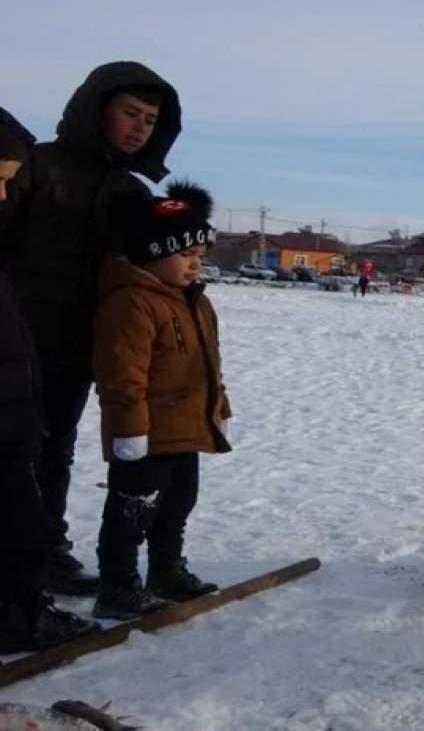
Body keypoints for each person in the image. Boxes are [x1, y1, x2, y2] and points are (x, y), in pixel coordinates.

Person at [0, 62, 182, 596]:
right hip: (17, 340)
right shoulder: (37, 166)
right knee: (13, 452)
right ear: (96, 107)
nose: (140, 128)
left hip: (80, 345)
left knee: (55, 450)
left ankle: (46, 552)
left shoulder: (131, 191)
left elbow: (151, 268)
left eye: (150, 120)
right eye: (130, 113)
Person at [90, 181, 231, 619]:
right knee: (133, 511)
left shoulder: (193, 302)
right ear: (153, 253)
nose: (194, 265)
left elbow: (210, 364)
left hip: (186, 428)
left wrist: (218, 410)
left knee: (177, 504)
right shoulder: (131, 304)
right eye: (184, 255)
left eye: (199, 256)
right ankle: (118, 585)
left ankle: (166, 570)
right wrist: (130, 430)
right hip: (146, 433)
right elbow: (121, 378)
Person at [0, 108, 102, 652]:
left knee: (27, 518)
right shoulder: (47, 177)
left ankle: (24, 605)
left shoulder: (120, 187)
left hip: (28, 389)